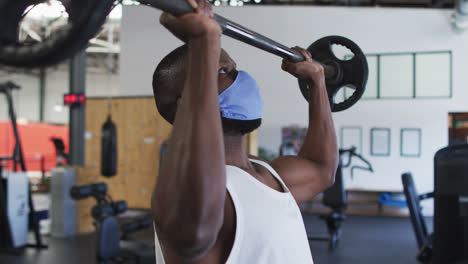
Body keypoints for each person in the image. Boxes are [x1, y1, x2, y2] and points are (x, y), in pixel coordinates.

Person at [151, 0, 338, 263]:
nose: (241, 78)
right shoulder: (190, 193)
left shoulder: (265, 173)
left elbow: (322, 168)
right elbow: (192, 234)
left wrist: (317, 83)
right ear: (186, 101)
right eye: (224, 70)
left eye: (234, 68)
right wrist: (205, 43)